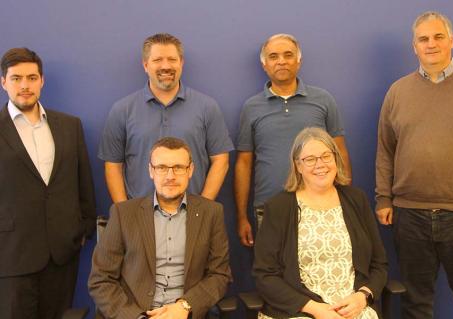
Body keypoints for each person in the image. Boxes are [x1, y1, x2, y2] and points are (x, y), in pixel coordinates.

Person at [376, 11, 453, 318]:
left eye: (437, 37)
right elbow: (385, 150)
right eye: (423, 38)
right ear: (415, 46)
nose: (430, 44)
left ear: (451, 41)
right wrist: (383, 197)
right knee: (415, 303)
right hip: (409, 214)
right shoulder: (398, 91)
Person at [0, 48, 96, 319]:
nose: (25, 85)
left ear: (42, 81)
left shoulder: (69, 126)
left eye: (32, 77)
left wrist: (84, 227)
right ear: (3, 82)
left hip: (62, 253)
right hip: (11, 255)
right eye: (16, 78)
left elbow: (83, 180)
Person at [89, 137, 232, 319]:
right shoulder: (123, 213)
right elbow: (101, 280)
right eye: (162, 167)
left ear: (190, 170)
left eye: (178, 168)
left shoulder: (211, 213)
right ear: (151, 171)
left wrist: (185, 306)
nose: (170, 176)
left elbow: (220, 275)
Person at [253, 127, 387, 319]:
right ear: (298, 166)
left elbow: (379, 263)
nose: (320, 164)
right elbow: (264, 275)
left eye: (326, 156)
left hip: (353, 308)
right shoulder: (279, 207)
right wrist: (315, 309)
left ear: (335, 159)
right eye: (310, 159)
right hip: (301, 310)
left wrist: (363, 296)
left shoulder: (356, 199)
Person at [235, 33, 351, 247]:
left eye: (288, 55)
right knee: (272, 275)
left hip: (321, 205)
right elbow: (243, 163)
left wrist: (345, 201)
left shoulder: (323, 100)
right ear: (264, 64)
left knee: (320, 271)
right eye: (273, 56)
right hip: (268, 207)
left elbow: (340, 152)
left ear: (299, 61)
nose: (281, 61)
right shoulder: (251, 107)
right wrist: (241, 216)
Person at [99, 33, 233, 203]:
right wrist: (124, 213)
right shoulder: (122, 110)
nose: (166, 66)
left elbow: (221, 160)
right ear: (146, 65)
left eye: (172, 59)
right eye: (157, 60)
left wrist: (203, 208)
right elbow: (113, 166)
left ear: (181, 63)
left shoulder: (207, 107)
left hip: (192, 213)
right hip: (139, 215)